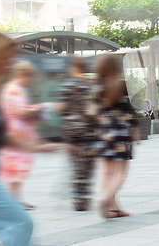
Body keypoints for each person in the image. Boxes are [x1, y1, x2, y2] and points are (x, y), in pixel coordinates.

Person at [0, 32, 66, 246]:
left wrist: (38, 147)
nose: (10, 63)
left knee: (17, 225)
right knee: (19, 225)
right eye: (6, 57)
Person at [94, 54, 140, 219]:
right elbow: (129, 109)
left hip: (103, 131)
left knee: (106, 171)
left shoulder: (96, 87)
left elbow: (94, 112)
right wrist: (136, 131)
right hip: (120, 131)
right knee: (120, 171)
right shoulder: (121, 85)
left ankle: (113, 208)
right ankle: (106, 200)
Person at [0, 61, 48, 210]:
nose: (30, 80)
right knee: (15, 169)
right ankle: (13, 201)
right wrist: (38, 108)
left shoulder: (14, 88)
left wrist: (33, 110)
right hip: (15, 136)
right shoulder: (14, 89)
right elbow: (20, 111)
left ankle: (16, 199)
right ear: (22, 74)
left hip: (17, 135)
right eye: (29, 77)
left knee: (17, 170)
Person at [58, 57, 98, 211]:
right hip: (89, 131)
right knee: (88, 166)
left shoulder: (67, 85)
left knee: (75, 166)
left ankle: (77, 198)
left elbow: (61, 108)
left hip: (71, 132)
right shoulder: (91, 85)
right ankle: (84, 199)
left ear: (73, 67)